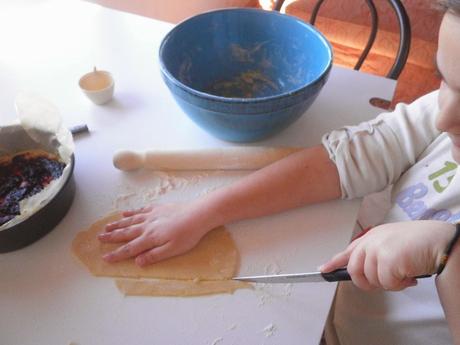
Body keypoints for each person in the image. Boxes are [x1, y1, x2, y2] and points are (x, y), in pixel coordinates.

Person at [97, 1, 460, 344]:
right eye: (444, 81)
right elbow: (342, 161)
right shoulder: (439, 116)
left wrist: (449, 252)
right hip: (326, 317)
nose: (445, 119)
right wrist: (201, 212)